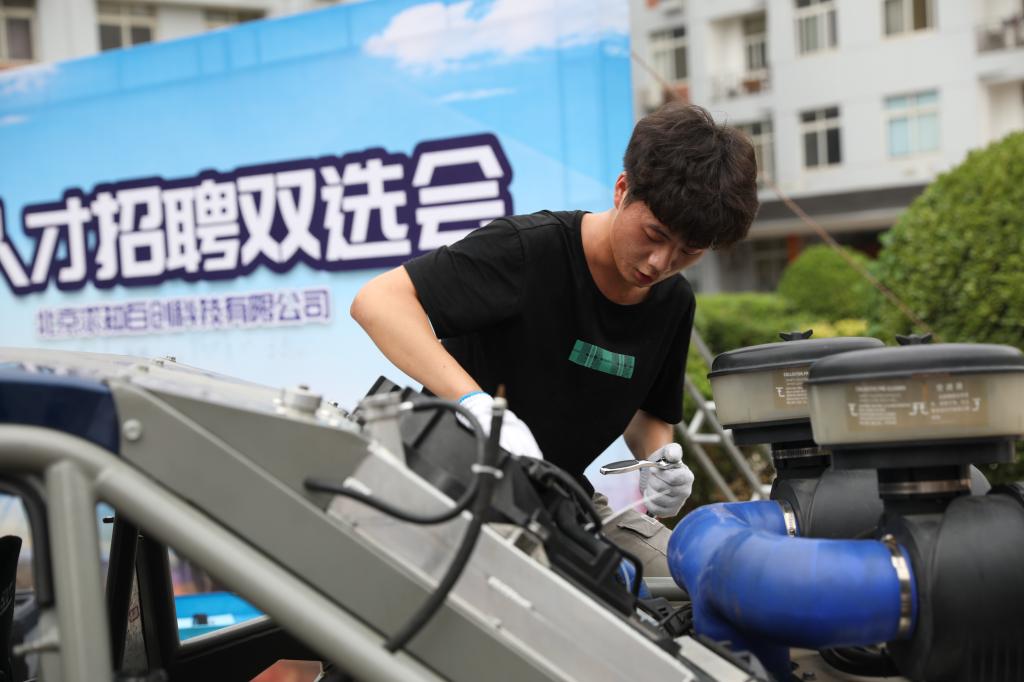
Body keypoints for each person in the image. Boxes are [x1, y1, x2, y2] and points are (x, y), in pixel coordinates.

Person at [351, 102, 759, 576]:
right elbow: (378, 301)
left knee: (694, 580)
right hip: (453, 480)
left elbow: (649, 412)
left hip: (560, 501)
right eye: (654, 234)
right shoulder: (529, 249)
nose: (659, 263)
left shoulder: (672, 301)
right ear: (622, 190)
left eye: (688, 251)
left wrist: (659, 463)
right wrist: (476, 405)